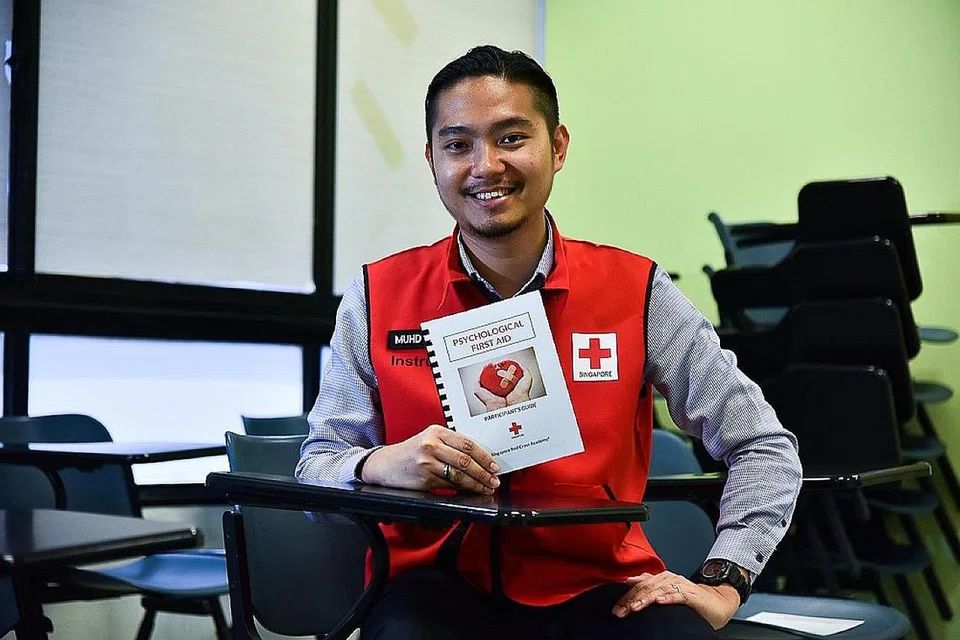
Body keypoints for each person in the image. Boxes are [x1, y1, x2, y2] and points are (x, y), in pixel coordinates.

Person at [297, 45, 802, 640]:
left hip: (603, 590)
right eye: (459, 145)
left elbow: (764, 446)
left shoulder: (635, 290)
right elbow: (317, 468)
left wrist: (723, 581)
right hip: (432, 590)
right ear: (432, 159)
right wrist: (381, 464)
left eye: (511, 138)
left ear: (557, 147)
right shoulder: (377, 294)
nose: (486, 165)